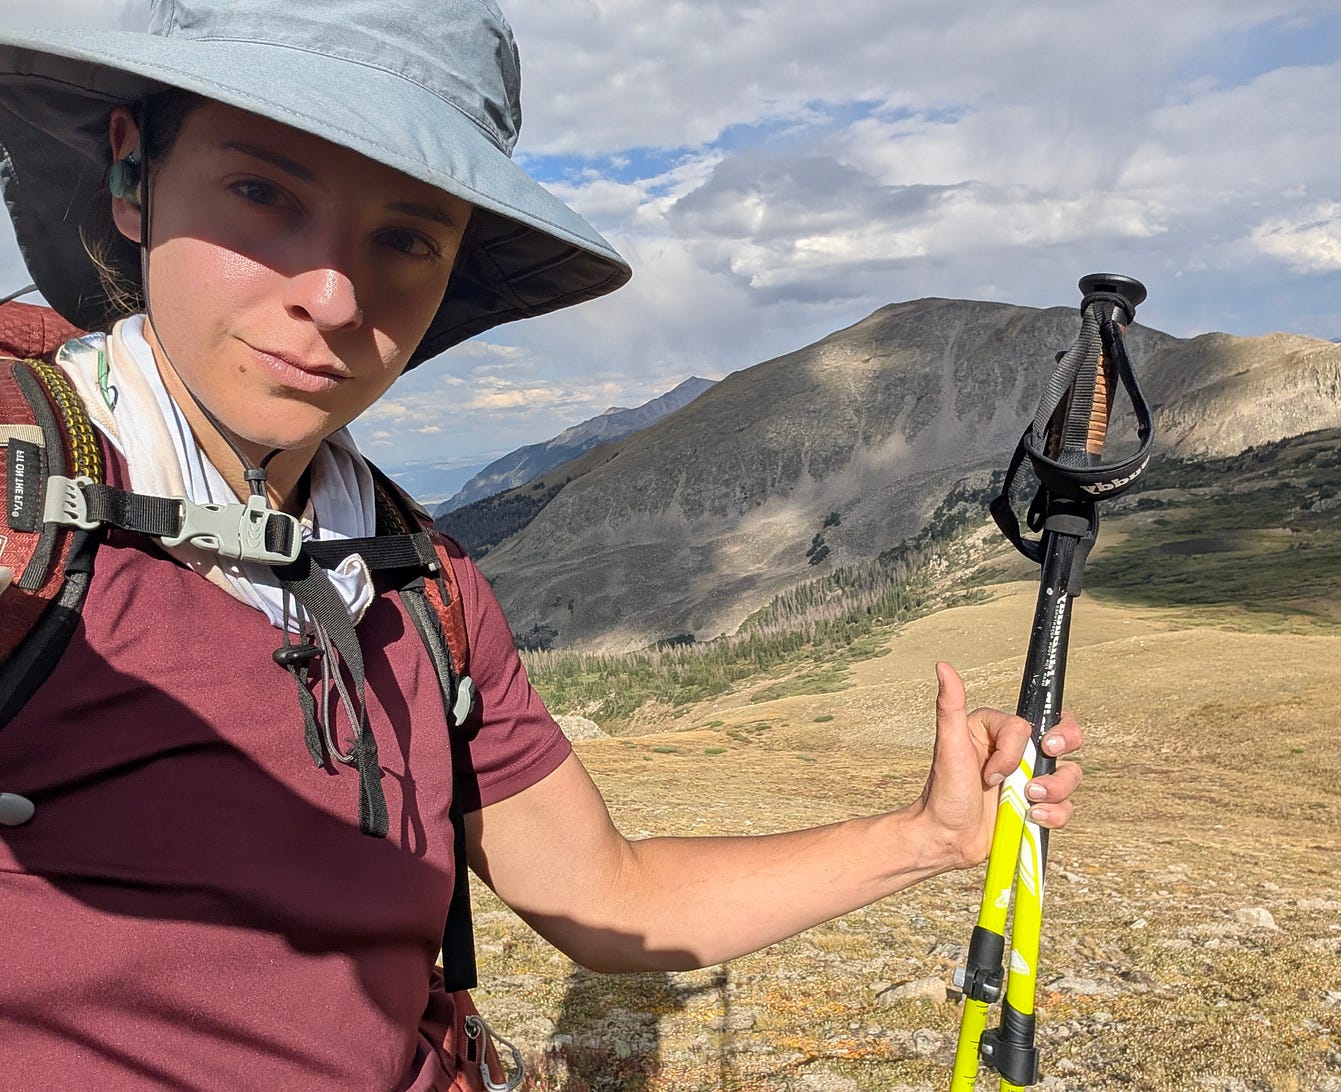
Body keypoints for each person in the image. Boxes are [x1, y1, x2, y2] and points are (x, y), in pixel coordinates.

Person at [0, 2, 1084, 1088]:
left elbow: (608, 897)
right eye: (262, 193)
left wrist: (931, 836)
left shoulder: (425, 583)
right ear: (134, 172)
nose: (331, 297)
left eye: (405, 238)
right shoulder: (22, 498)